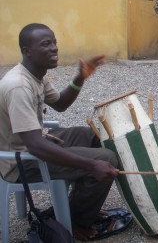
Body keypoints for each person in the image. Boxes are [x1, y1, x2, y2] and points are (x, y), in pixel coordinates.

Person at [0, 23, 132, 241]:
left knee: (96, 137)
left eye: (54, 42)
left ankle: (79, 203)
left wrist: (80, 77)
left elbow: (60, 103)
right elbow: (35, 145)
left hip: (35, 143)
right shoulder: (19, 86)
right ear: (27, 51)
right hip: (21, 162)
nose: (54, 48)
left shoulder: (36, 74)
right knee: (105, 158)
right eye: (46, 44)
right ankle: (76, 223)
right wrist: (91, 164)